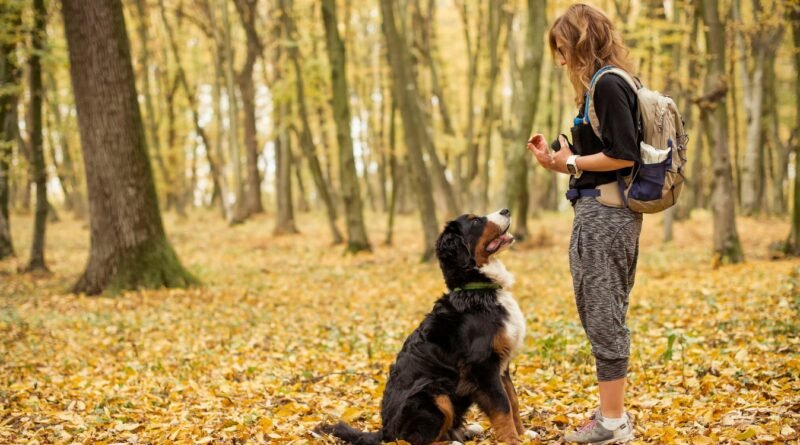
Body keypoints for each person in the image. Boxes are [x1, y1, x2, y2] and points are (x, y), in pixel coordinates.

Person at [527, 3, 642, 444]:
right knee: (601, 310)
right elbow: (597, 161)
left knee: (603, 314)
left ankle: (613, 424)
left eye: (563, 49)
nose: (561, 60)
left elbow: (623, 154)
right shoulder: (602, 86)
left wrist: (572, 160)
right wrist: (557, 163)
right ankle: (611, 413)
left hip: (606, 217)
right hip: (599, 210)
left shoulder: (608, 84)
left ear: (582, 42)